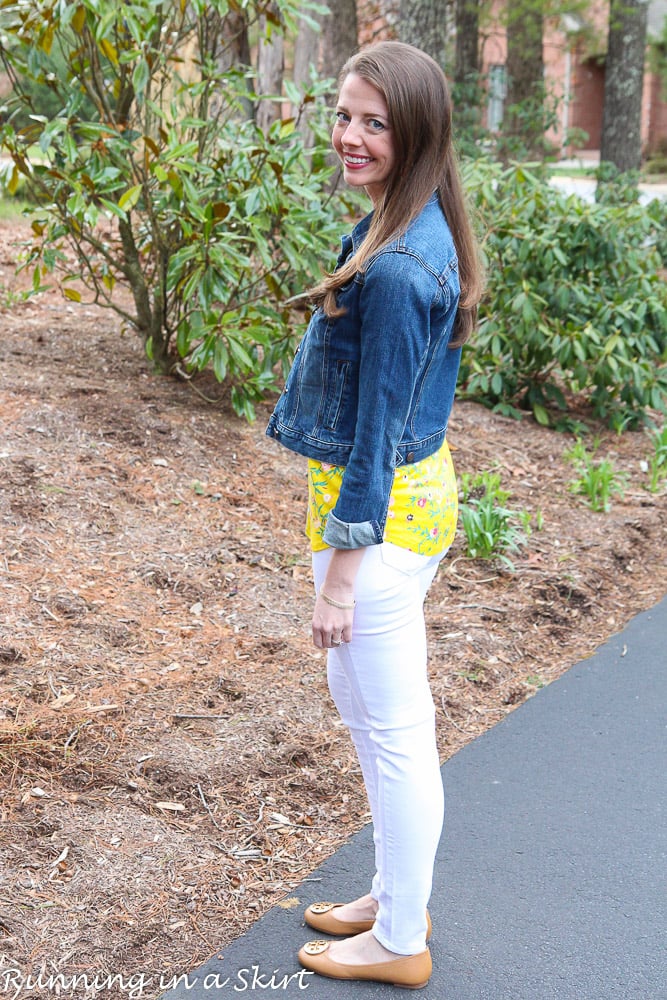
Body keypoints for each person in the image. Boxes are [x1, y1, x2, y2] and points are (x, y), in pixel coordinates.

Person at [266, 40, 484, 989]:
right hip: (391, 510)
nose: (350, 135)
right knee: (369, 721)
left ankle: (400, 940)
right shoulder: (401, 226)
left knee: (394, 732)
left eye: (374, 122)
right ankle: (395, 896)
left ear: (417, 133)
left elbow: (375, 434)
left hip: (382, 524)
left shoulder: (397, 268)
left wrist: (341, 576)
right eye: (345, 114)